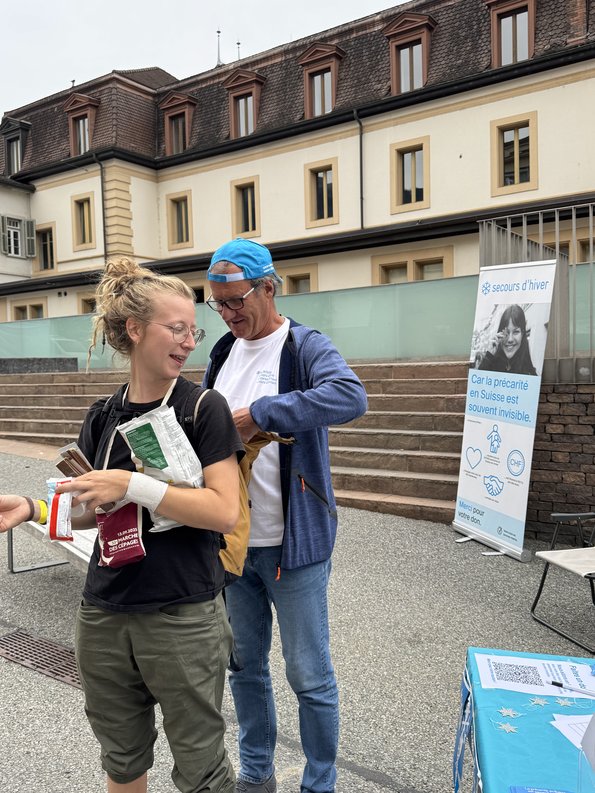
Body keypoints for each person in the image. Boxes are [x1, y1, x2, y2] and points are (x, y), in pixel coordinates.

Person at [0, 257, 244, 793]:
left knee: (202, 768)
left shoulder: (203, 408)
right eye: (176, 328)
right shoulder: (103, 414)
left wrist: (132, 484)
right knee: (122, 759)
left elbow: (224, 510)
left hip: (182, 613)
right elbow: (90, 507)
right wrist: (33, 508)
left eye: (194, 331)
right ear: (134, 329)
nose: (189, 342)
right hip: (104, 612)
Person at [202, 238, 368, 793]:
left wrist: (262, 412)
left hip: (293, 545)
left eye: (237, 300)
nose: (228, 314)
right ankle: (257, 774)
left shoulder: (303, 345)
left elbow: (350, 396)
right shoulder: (222, 353)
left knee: (309, 675)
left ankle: (319, 784)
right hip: (232, 543)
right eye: (218, 303)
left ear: (269, 288)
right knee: (244, 669)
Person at [476, 304, 538, 375]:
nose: (510, 339)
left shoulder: (530, 374)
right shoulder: (490, 364)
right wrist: (489, 356)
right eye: (506, 333)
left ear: (522, 334)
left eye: (516, 332)